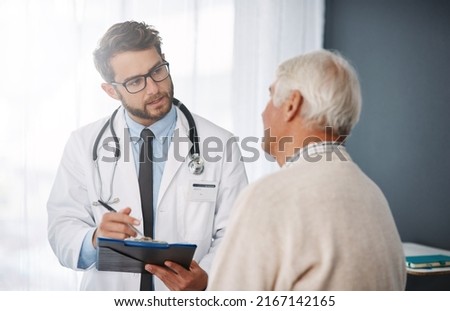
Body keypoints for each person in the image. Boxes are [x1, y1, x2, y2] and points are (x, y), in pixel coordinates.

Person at [47, 21, 248, 291]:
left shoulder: (221, 144)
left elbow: (236, 232)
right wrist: (94, 239)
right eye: (134, 82)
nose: (153, 88)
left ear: (164, 62)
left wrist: (207, 278)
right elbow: (63, 226)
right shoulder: (83, 144)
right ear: (111, 91)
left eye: (157, 71)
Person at [207, 50, 407, 290]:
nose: (263, 112)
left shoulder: (268, 197)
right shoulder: (373, 196)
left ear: (292, 104)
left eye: (270, 97)